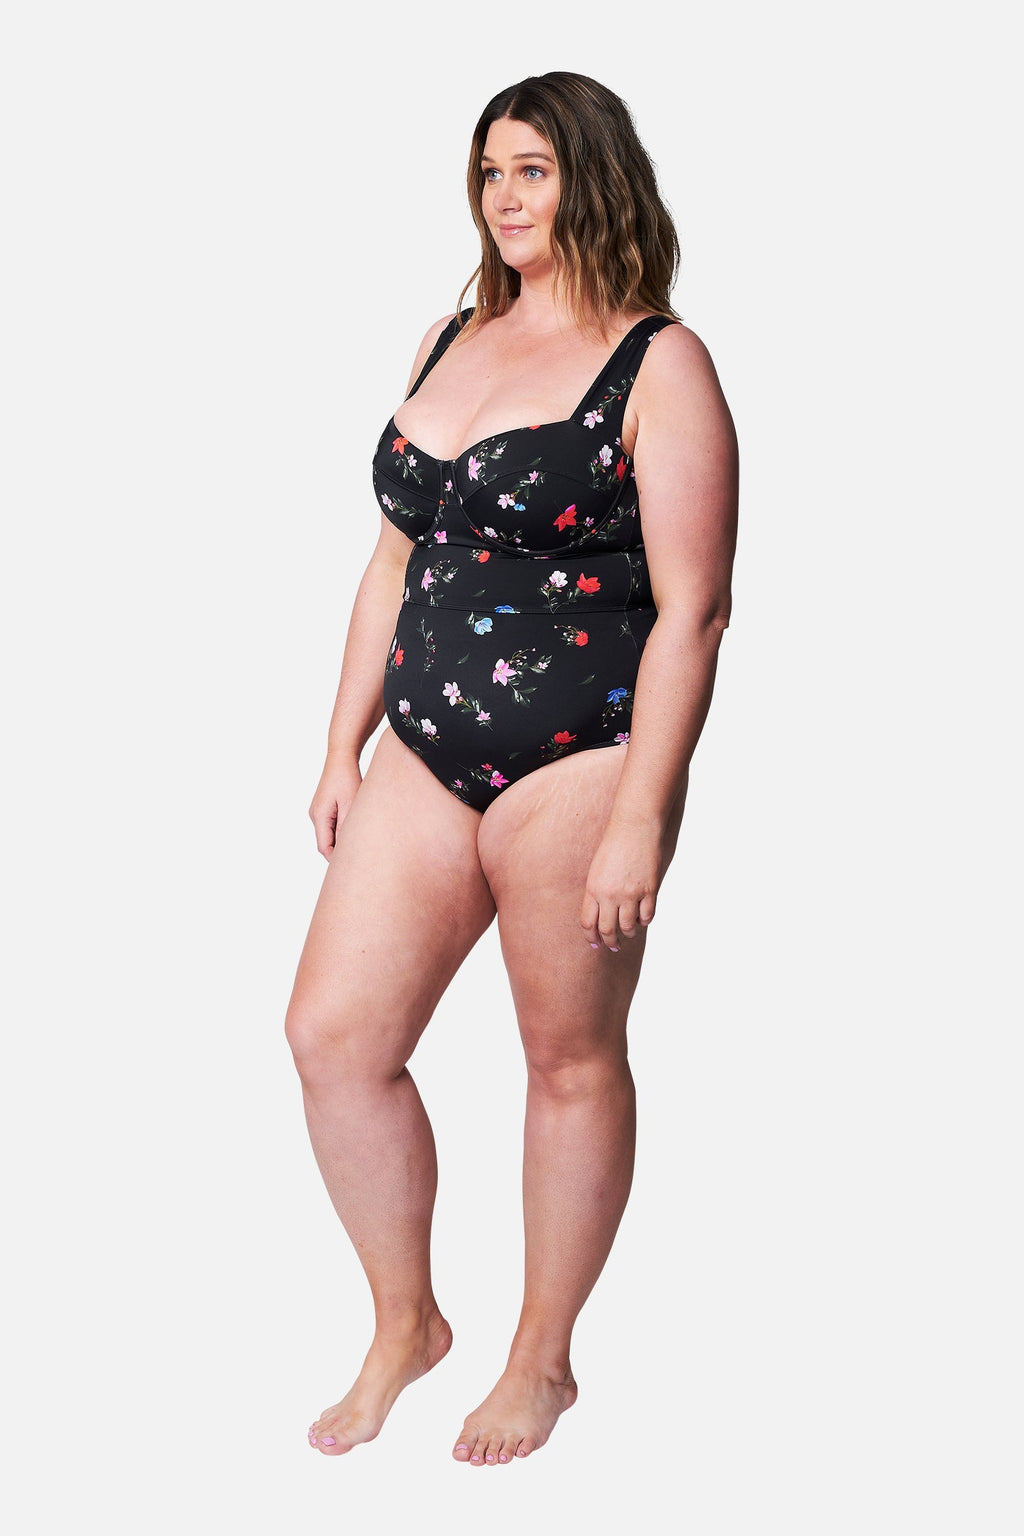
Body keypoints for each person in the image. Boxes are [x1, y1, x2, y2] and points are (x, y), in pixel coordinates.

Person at [285, 70, 738, 1466]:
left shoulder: (660, 364)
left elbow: (696, 610)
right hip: (423, 753)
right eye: (490, 172)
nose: (505, 197)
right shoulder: (449, 336)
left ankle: (542, 1358)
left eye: (532, 170)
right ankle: (406, 1322)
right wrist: (341, 743)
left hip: (578, 760)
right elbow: (392, 562)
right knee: (334, 1039)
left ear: (593, 177)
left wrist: (643, 817)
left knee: (569, 1059)